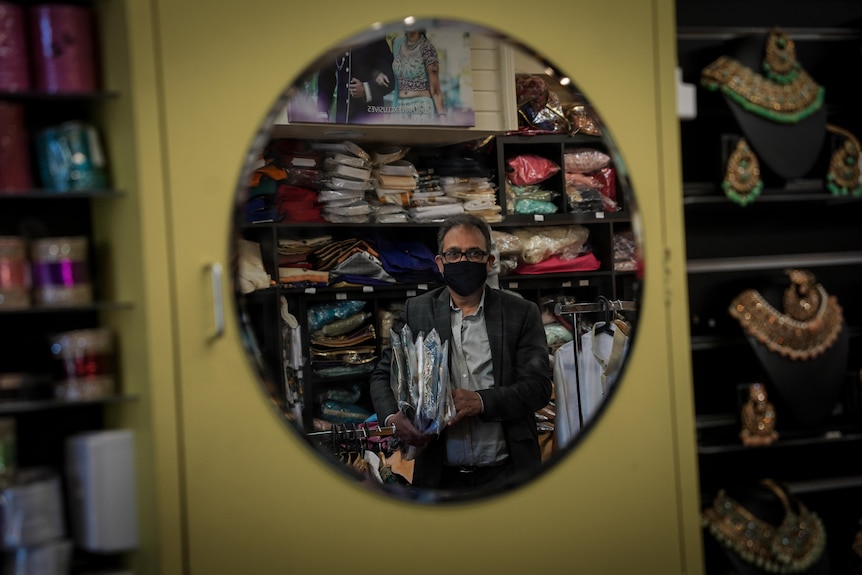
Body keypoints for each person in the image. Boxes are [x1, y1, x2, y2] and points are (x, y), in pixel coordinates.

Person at [369, 213, 552, 492]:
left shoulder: (521, 312)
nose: (463, 262)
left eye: (474, 253)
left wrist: (482, 401)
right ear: (440, 264)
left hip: (508, 471)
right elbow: (382, 375)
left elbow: (538, 387)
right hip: (440, 475)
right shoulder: (417, 311)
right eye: (453, 254)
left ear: (489, 262)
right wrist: (393, 418)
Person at [316, 38, 394, 124]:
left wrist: (366, 89)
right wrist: (322, 112)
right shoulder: (336, 40)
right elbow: (326, 78)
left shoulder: (374, 38)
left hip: (370, 121)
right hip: (342, 120)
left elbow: (392, 75)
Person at [390, 29, 447, 124]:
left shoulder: (427, 48)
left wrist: (442, 117)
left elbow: (436, 90)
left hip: (421, 108)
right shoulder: (397, 44)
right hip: (400, 107)